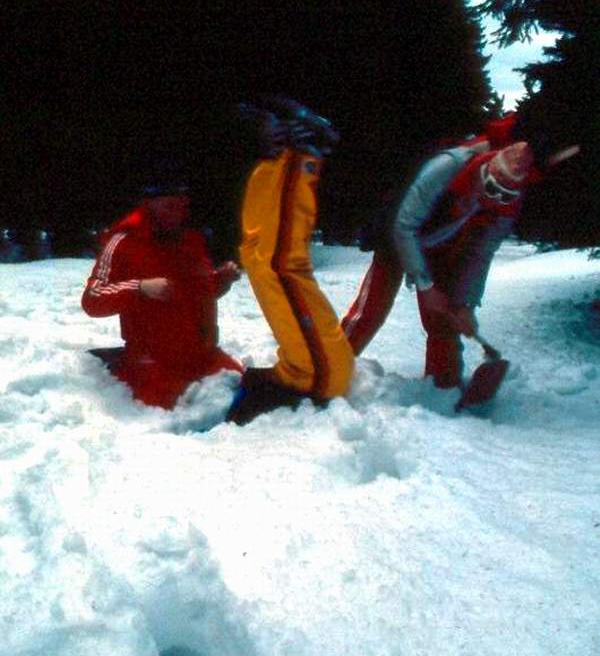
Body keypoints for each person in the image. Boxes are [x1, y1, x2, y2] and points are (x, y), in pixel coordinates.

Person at [342, 115, 577, 389]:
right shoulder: (448, 165)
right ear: (485, 170)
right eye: (493, 189)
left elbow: (481, 253)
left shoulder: (506, 205)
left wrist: (467, 303)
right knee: (371, 311)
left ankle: (443, 389)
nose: (496, 198)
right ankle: (328, 367)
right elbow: (404, 226)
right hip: (398, 236)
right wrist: (426, 285)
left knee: (444, 322)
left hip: (444, 247)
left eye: (506, 196)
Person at [227, 97, 355, 423]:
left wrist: (296, 152)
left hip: (321, 377)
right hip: (278, 165)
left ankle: (299, 153)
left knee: (276, 262)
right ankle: (285, 155)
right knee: (263, 259)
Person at [82, 172, 243, 408]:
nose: (177, 212)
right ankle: (116, 363)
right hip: (154, 364)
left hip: (203, 356)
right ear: (149, 203)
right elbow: (92, 300)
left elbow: (194, 295)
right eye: (169, 205)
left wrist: (221, 280)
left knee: (240, 391)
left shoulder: (191, 238)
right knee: (186, 409)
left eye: (181, 205)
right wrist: (140, 287)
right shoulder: (124, 241)